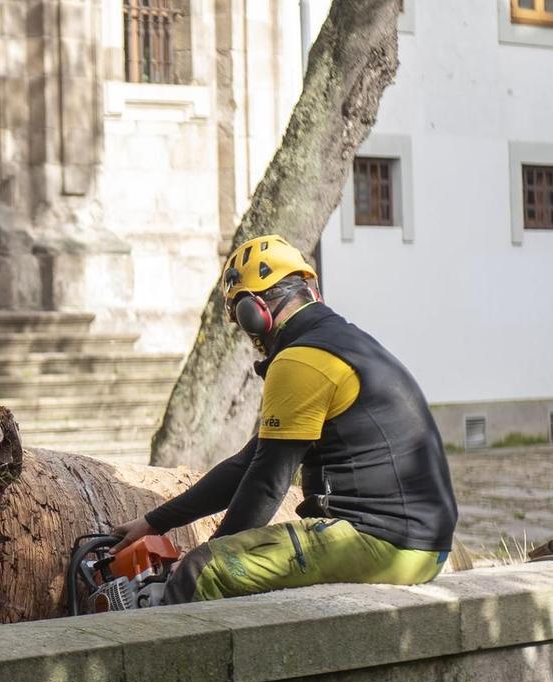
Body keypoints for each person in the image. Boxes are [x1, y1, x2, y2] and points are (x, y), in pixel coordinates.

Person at [112, 234, 458, 606]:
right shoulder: (338, 342)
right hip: (422, 543)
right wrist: (155, 522)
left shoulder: (300, 360)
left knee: (202, 573)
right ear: (311, 288)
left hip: (383, 543)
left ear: (253, 311)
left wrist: (211, 556)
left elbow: (266, 484)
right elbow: (248, 464)